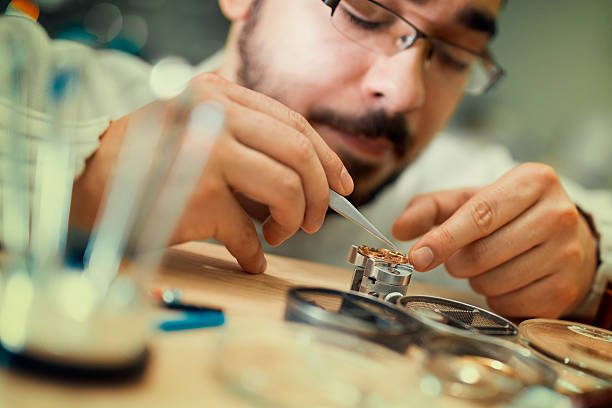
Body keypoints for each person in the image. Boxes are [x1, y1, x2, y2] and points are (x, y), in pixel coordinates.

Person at [1, 0, 611, 320]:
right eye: (364, 13)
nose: (404, 93)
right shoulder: (42, 89)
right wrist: (78, 175)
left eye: (454, 54)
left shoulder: (451, 197)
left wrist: (586, 263)